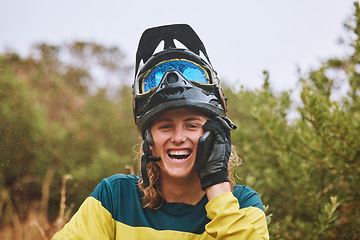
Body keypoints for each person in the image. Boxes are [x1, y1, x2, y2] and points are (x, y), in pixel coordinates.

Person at [52, 24, 269, 240]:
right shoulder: (114, 198)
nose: (178, 138)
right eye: (165, 126)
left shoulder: (243, 204)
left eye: (192, 125)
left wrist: (218, 189)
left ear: (215, 133)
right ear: (149, 139)